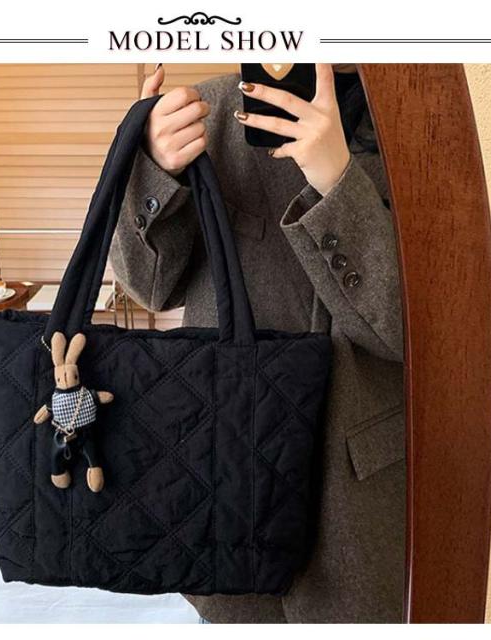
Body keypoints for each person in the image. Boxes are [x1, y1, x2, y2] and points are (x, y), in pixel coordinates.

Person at [110, 63, 405, 624]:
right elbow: (149, 288)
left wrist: (337, 182)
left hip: (359, 494)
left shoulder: (420, 121)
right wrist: (151, 171)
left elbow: (405, 335)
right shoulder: (214, 110)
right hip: (225, 469)